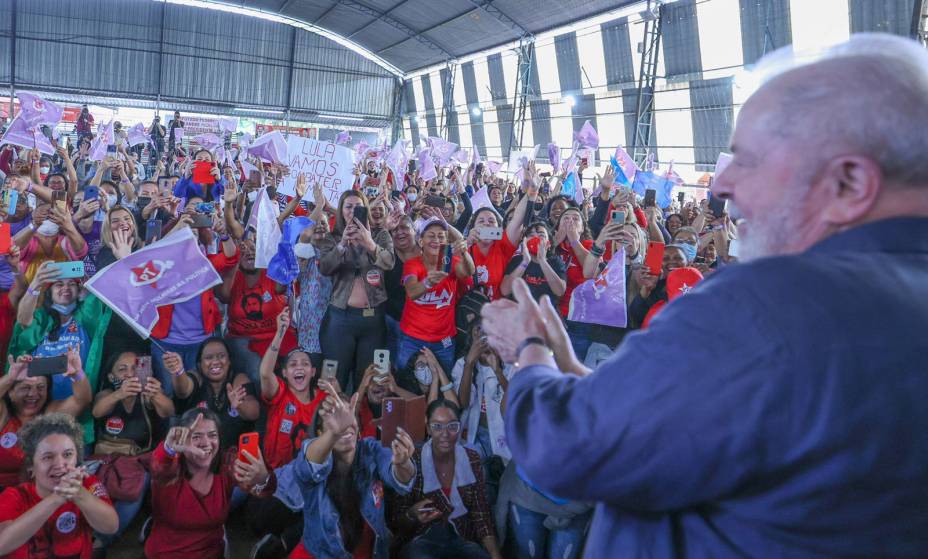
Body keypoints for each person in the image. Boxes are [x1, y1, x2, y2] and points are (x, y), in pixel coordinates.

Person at [480, 33, 928, 556]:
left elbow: (563, 446)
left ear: (849, 184)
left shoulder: (767, 306)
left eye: (749, 158)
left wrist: (530, 352)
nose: (721, 186)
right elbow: (688, 428)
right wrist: (568, 365)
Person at [282, 387, 417, 559]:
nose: (344, 423)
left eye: (348, 415)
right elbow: (307, 467)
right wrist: (334, 432)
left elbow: (402, 481)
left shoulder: (370, 449)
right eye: (335, 418)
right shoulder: (313, 454)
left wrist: (404, 463)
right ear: (320, 433)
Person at [145, 409, 274, 559]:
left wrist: (263, 478)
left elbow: (267, 490)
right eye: (196, 436)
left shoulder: (227, 464)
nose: (206, 443)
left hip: (212, 553)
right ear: (183, 439)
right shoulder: (169, 466)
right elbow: (158, 467)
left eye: (212, 435)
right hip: (165, 554)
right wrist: (168, 449)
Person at [391, 399, 502, 559]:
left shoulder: (471, 458)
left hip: (462, 538)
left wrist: (494, 554)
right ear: (428, 428)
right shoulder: (412, 459)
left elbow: (481, 513)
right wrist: (412, 514)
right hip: (423, 538)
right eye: (437, 426)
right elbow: (396, 519)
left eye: (452, 426)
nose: (445, 434)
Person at [0, 412, 118, 557]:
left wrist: (80, 494)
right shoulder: (14, 496)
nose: (60, 465)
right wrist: (57, 498)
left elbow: (110, 527)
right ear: (31, 466)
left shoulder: (87, 485)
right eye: (48, 457)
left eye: (68, 454)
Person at [90, 350, 174, 551]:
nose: (129, 373)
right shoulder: (108, 393)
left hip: (135, 462)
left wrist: (156, 394)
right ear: (112, 377)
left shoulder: (146, 396)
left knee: (140, 481)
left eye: (135, 368)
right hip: (105, 460)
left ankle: (102, 540)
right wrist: (120, 393)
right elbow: (97, 410)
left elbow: (169, 411)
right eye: (122, 369)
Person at [318, 190, 395, 392]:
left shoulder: (381, 235)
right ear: (341, 210)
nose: (353, 211)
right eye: (348, 206)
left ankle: (364, 422)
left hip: (373, 321)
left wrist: (370, 243)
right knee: (334, 379)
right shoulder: (332, 238)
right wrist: (342, 244)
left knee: (370, 381)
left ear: (366, 210)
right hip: (340, 319)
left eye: (358, 207)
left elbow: (389, 262)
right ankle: (331, 422)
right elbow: (325, 268)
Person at [0, 351, 92, 490]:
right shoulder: (3, 414)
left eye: (40, 387)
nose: (33, 394)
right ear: (10, 393)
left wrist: (77, 374)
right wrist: (10, 378)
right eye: (26, 387)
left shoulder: (50, 415)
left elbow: (81, 400)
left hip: (36, 496)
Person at [397, 218, 474, 374]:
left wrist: (464, 252)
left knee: (444, 384)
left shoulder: (451, 262)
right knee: (405, 380)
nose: (436, 240)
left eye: (441, 236)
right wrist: (427, 283)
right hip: (412, 338)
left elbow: (469, 272)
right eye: (431, 236)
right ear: (421, 241)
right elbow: (412, 292)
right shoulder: (412, 264)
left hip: (443, 340)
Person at [166, 338, 259, 450]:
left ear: (229, 361)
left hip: (233, 454)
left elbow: (254, 413)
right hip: (199, 453)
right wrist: (178, 371)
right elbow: (183, 390)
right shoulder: (197, 377)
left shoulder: (238, 379)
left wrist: (239, 405)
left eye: (221, 356)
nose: (215, 361)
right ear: (200, 364)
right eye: (209, 357)